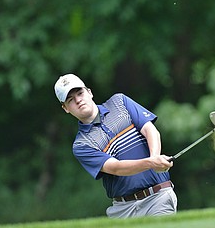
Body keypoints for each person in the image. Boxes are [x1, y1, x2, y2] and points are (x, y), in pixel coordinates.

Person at [54, 74, 177, 218]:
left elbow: (150, 130)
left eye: (80, 93)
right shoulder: (82, 144)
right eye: (70, 99)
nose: (78, 100)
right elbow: (116, 168)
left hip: (158, 198)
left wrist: (155, 156)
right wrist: (151, 162)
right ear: (65, 108)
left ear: (89, 92)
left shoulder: (119, 102)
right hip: (123, 210)